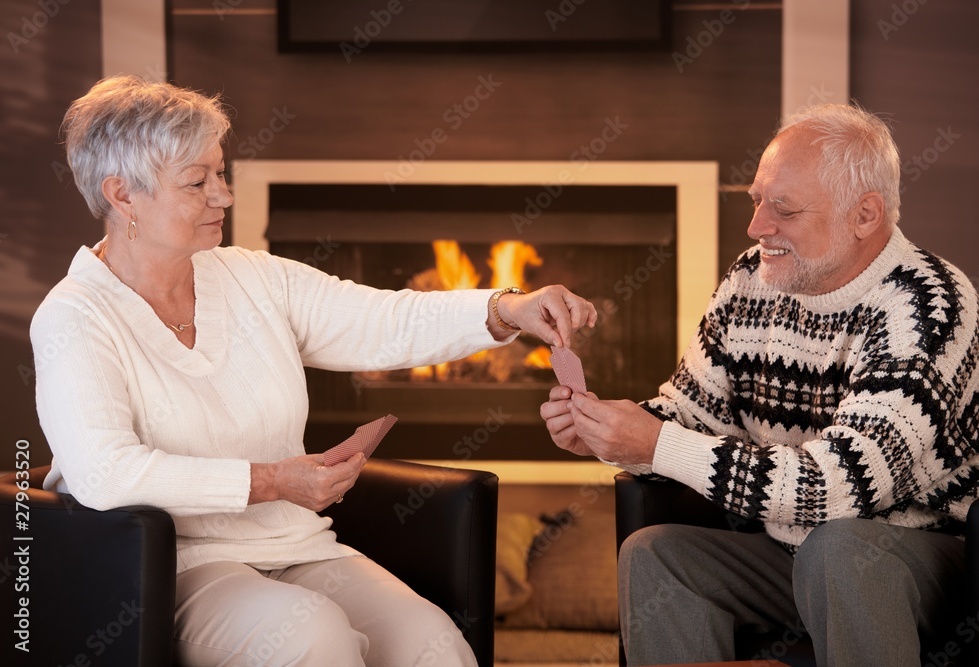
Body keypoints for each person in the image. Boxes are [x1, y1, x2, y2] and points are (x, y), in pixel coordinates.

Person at [32, 74, 597, 667]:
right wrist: (275, 481)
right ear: (122, 196)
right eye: (196, 182)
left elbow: (381, 319)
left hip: (297, 546)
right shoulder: (73, 317)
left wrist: (507, 309)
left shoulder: (252, 277)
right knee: (314, 637)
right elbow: (107, 475)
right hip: (166, 565)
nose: (222, 197)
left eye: (220, 174)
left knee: (434, 644)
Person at [541, 103, 979, 666]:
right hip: (794, 553)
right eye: (756, 200)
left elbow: (839, 490)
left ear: (865, 215)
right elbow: (690, 415)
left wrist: (654, 444)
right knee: (655, 554)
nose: (758, 226)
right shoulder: (749, 280)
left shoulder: (929, 306)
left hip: (932, 561)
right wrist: (607, 430)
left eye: (783, 208)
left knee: (840, 550)